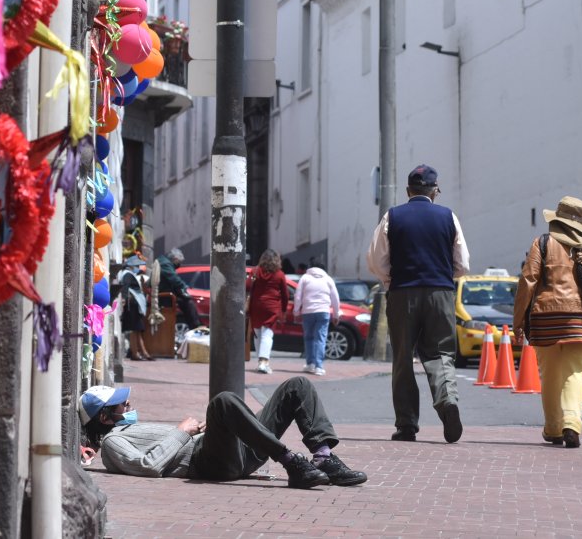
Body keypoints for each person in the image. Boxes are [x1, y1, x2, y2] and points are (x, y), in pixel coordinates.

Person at [79, 377, 367, 489]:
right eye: (121, 404)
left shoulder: (129, 426)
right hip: (210, 463)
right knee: (223, 401)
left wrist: (197, 433)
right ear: (104, 417)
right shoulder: (113, 443)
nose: (128, 404)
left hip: (231, 452)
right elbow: (148, 466)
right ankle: (291, 461)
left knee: (297, 387)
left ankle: (322, 457)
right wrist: (181, 433)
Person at [366, 164, 470, 443]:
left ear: (408, 190)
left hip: (402, 293)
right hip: (441, 293)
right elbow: (462, 263)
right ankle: (447, 400)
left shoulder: (393, 216)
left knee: (402, 359)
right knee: (440, 353)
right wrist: (443, 276)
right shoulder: (449, 217)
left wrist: (392, 280)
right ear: (434, 190)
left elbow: (376, 260)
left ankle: (406, 425)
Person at [513, 196, 582, 449]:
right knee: (577, 371)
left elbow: (528, 282)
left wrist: (518, 321)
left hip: (547, 318)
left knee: (550, 375)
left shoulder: (543, 243)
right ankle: (571, 423)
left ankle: (554, 428)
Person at [247, 249, 290, 374]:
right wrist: (284, 309)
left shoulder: (255, 271)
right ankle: (263, 362)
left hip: (256, 306)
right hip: (271, 307)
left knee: (257, 333)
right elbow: (285, 294)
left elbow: (248, 286)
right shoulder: (279, 274)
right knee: (267, 334)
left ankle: (260, 362)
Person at [295, 265, 341, 376]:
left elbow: (298, 296)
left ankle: (310, 364)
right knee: (320, 338)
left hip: (308, 311)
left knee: (309, 338)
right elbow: (335, 298)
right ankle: (319, 366)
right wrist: (336, 314)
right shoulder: (328, 279)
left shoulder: (305, 278)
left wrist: (296, 311)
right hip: (323, 311)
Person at [116, 257, 153, 361]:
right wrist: (123, 299)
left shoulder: (128, 274)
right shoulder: (127, 274)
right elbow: (125, 287)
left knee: (137, 329)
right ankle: (136, 353)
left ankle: (142, 352)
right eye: (136, 266)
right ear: (131, 266)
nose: (137, 268)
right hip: (132, 304)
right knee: (135, 329)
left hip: (134, 304)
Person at [156, 248, 202, 329]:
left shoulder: (164, 262)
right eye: (179, 262)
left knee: (187, 301)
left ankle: (195, 325)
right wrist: (185, 288)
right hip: (164, 295)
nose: (179, 264)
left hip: (165, 292)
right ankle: (195, 326)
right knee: (188, 303)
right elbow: (174, 279)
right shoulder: (165, 264)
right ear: (175, 259)